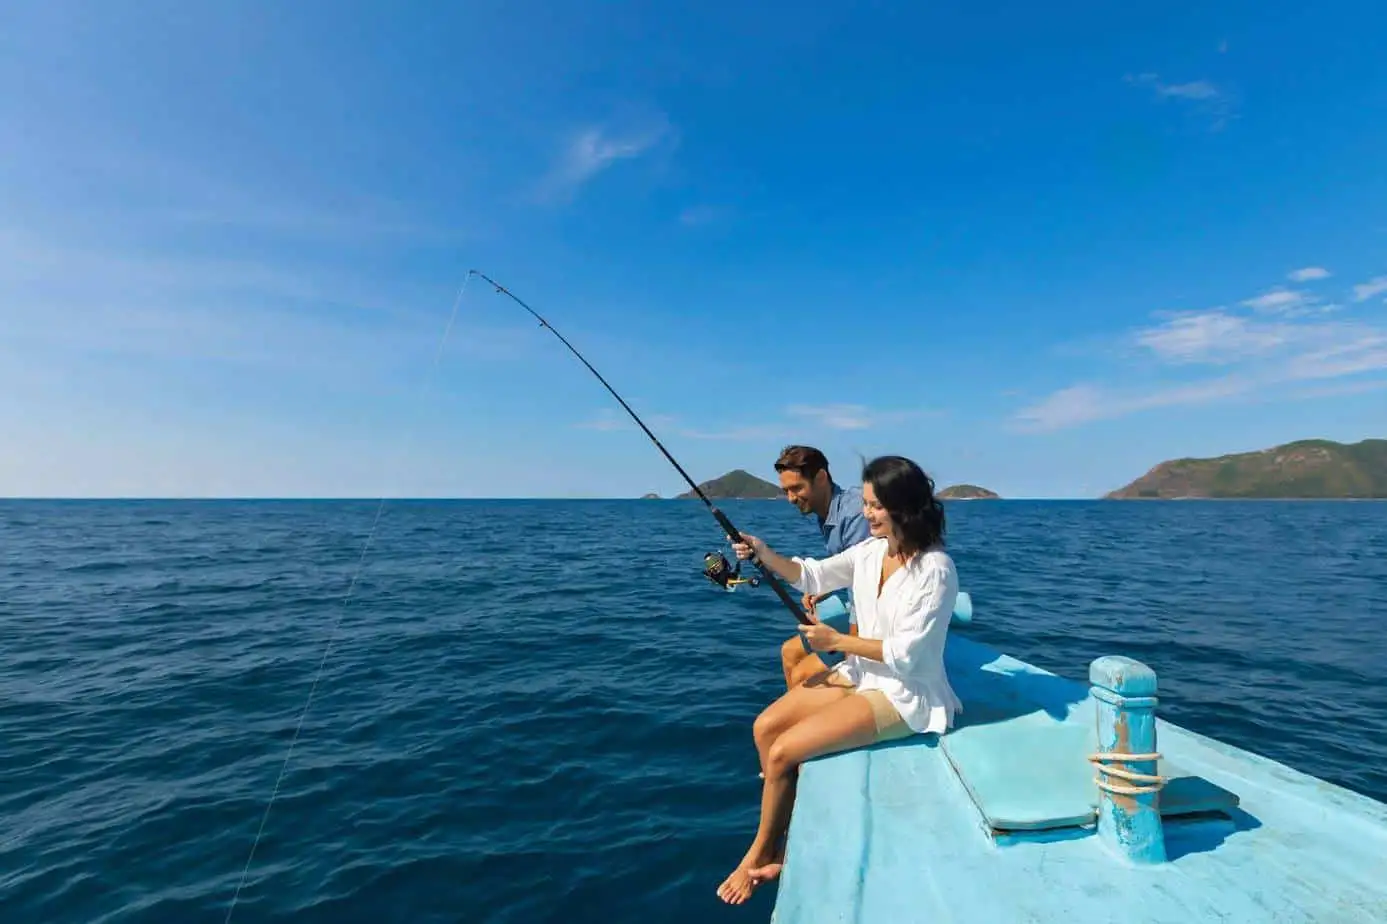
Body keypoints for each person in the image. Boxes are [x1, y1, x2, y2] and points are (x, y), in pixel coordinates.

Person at [715, 455, 962, 906]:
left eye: (875, 506)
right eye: (865, 504)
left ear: (903, 506)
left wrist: (836, 640)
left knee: (786, 749)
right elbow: (812, 573)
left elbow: (909, 657)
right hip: (861, 673)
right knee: (764, 729)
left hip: (905, 694)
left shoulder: (937, 570)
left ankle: (762, 850)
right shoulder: (871, 551)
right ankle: (780, 823)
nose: (865, 514)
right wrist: (763, 551)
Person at [772, 445, 872, 689]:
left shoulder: (855, 514)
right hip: (860, 607)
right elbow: (847, 566)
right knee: (789, 652)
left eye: (797, 488)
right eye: (786, 490)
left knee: (802, 676)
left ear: (821, 478)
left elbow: (865, 587)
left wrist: (851, 656)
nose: (791, 498)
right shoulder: (825, 511)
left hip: (873, 619)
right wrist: (824, 589)